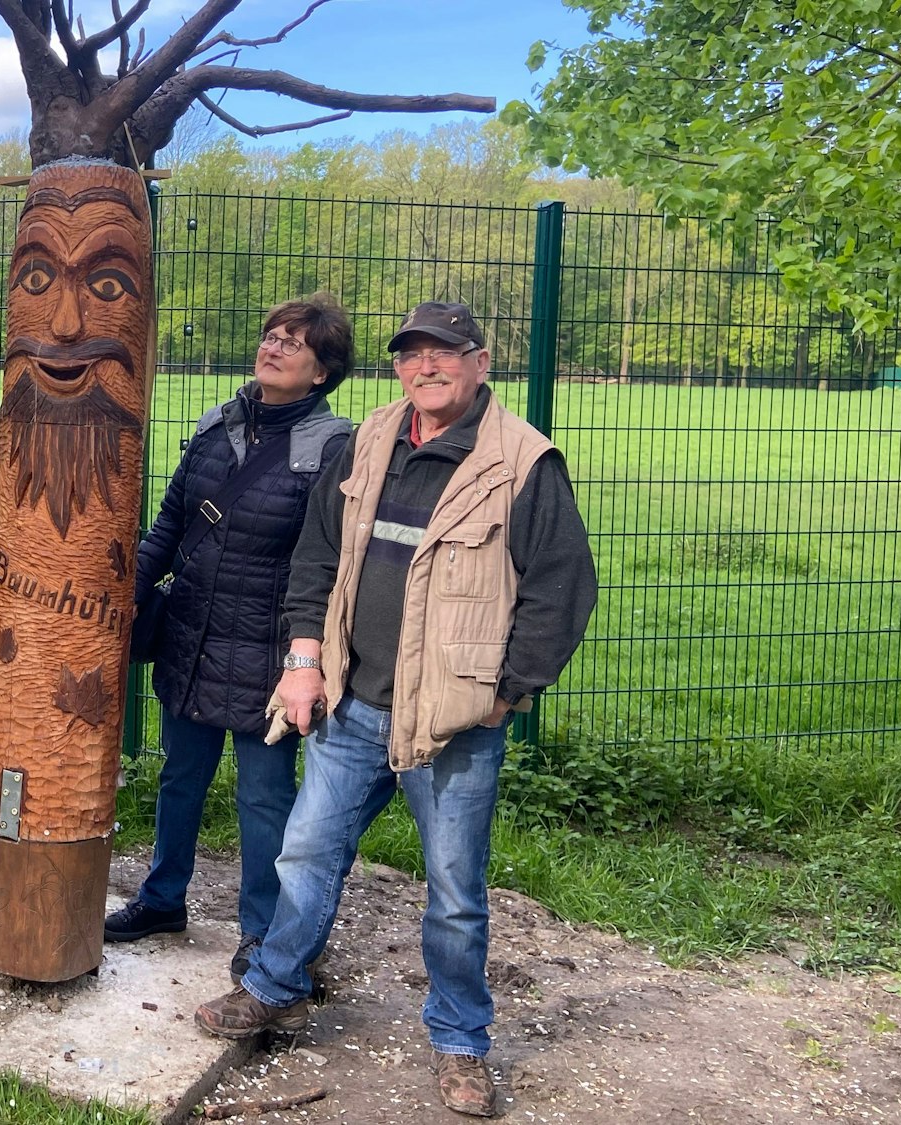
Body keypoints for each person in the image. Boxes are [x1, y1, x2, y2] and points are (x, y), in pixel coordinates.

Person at [192, 301, 598, 1119]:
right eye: (412, 355)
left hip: (450, 725)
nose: (426, 368)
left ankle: (460, 1038)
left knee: (454, 891)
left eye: (444, 354)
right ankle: (276, 986)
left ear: (480, 362)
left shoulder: (522, 462)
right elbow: (317, 557)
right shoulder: (371, 439)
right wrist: (303, 661)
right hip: (351, 703)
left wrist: (505, 693)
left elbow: (561, 589)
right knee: (306, 854)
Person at [104, 295, 354, 984]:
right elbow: (168, 525)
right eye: (271, 335)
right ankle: (162, 899)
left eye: (293, 343)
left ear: (322, 372)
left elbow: (327, 562)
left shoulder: (334, 447)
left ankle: (262, 930)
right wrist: (128, 597)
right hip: (191, 634)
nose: (273, 347)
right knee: (179, 776)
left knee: (264, 797)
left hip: (270, 650)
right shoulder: (218, 425)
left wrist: (306, 656)